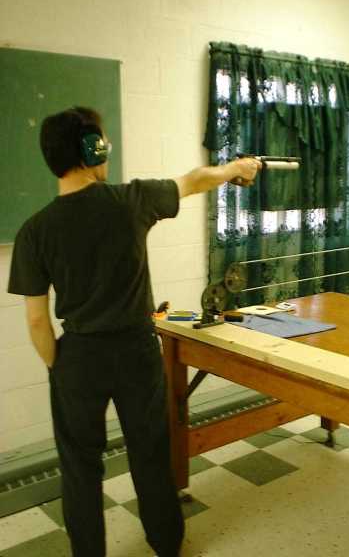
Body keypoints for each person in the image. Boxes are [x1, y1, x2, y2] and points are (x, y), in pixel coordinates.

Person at [7, 107, 261, 557]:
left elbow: (37, 321)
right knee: (150, 453)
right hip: (135, 350)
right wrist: (234, 169)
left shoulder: (33, 231)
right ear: (92, 150)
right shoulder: (131, 200)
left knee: (80, 468)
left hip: (77, 357)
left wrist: (59, 367)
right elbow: (194, 181)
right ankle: (166, 543)